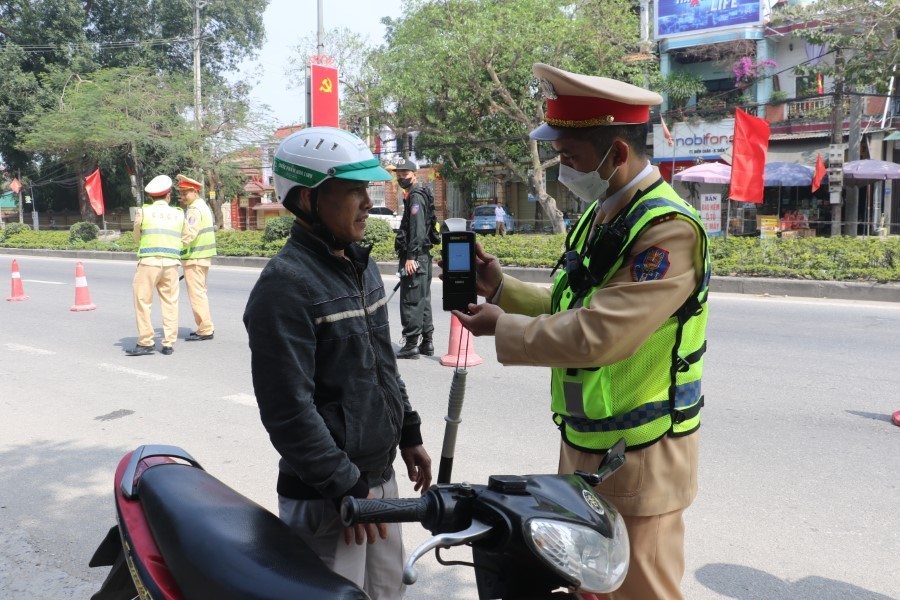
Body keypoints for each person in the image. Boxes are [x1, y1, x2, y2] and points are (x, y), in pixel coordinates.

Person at [452, 63, 710, 600]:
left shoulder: (668, 229)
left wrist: (506, 331)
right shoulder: (604, 211)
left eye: (569, 157)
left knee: (639, 592)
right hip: (587, 443)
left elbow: (601, 334)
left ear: (616, 153)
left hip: (643, 453)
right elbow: (574, 302)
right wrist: (501, 288)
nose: (562, 168)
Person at [243, 127, 432, 600]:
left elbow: (382, 363)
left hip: (379, 483)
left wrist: (409, 433)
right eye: (353, 191)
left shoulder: (359, 262)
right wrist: (346, 487)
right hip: (331, 502)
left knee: (387, 594)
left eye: (366, 189)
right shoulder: (283, 288)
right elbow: (289, 412)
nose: (368, 202)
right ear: (307, 200)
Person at [128, 175, 184, 356]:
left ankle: (146, 341)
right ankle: (168, 344)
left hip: (148, 262)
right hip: (171, 263)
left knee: (143, 301)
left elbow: (137, 237)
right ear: (168, 195)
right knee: (170, 302)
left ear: (151, 197)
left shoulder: (143, 212)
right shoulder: (178, 213)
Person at [393, 158, 435, 359]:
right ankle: (427, 342)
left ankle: (411, 345)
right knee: (423, 300)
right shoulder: (418, 193)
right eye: (398, 175)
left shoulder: (415, 197)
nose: (401, 178)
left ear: (414, 175)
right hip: (423, 256)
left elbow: (417, 229)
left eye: (405, 174)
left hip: (415, 256)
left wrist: (411, 256)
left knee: (411, 300)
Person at [175, 174, 216, 342]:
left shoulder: (194, 209)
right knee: (201, 293)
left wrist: (175, 248)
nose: (183, 196)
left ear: (194, 191)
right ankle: (205, 326)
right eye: (181, 193)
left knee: (197, 294)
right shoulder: (202, 206)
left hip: (195, 258)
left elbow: (189, 233)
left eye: (185, 193)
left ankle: (205, 329)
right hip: (202, 257)